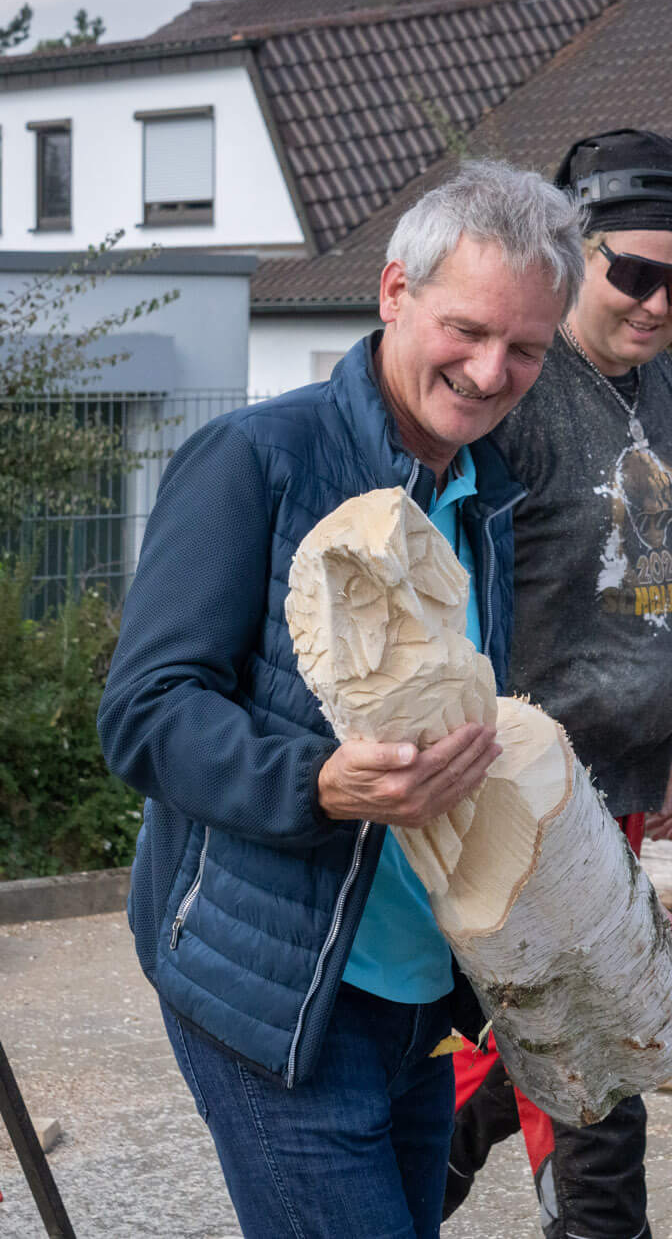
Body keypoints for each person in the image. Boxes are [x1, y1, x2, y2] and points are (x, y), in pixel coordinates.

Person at [98, 159, 586, 1239]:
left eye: (526, 348)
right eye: (465, 328)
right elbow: (143, 712)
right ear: (392, 293)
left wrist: (592, 900)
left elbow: (476, 744)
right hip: (276, 996)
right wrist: (318, 783)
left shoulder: (484, 489)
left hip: (418, 997)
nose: (490, 369)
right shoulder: (254, 460)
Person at [445, 129, 672, 1239]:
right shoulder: (515, 391)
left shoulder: (657, 389)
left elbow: (657, 573)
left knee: (540, 1055)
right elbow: (460, 591)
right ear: (574, 253)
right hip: (528, 797)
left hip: (617, 781)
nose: (658, 303)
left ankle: (367, 1205)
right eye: (633, 273)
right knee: (585, 1062)